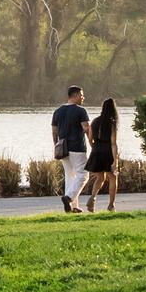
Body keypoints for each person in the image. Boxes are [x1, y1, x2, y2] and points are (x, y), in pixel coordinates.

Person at [50, 85, 91, 213]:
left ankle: (73, 207)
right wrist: (92, 142)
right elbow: (86, 128)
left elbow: (54, 131)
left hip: (63, 148)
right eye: (81, 95)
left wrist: (56, 145)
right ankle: (68, 198)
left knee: (70, 176)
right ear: (76, 95)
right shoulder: (80, 111)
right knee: (84, 175)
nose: (83, 98)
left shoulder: (57, 111)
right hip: (77, 147)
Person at [81, 97, 122, 211]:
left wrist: (95, 148)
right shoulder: (112, 123)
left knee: (100, 177)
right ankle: (111, 205)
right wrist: (115, 160)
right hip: (108, 151)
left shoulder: (95, 121)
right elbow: (113, 143)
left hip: (96, 151)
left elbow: (90, 139)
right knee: (113, 177)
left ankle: (93, 197)